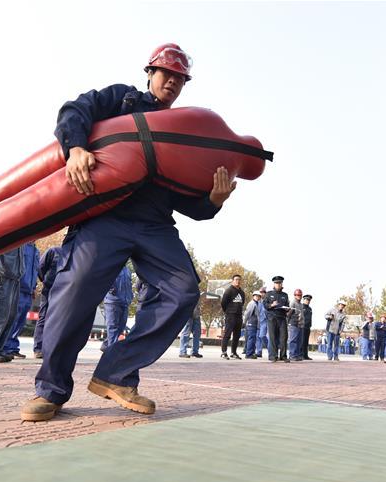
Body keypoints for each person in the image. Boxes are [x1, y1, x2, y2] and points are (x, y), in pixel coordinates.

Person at [22, 43, 238, 421]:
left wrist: (214, 200)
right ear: (150, 73)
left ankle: (116, 373)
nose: (171, 81)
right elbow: (74, 111)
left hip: (154, 223)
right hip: (105, 216)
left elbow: (189, 202)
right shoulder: (120, 100)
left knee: (183, 289)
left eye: (179, 78)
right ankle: (51, 390)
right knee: (73, 294)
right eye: (165, 73)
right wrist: (75, 149)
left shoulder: (182, 128)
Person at [4, 242, 40, 359]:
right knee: (13, 317)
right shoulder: (20, 247)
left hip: (28, 290)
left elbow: (36, 270)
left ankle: (13, 347)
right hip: (18, 287)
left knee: (21, 320)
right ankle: (5, 346)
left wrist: (34, 287)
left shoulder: (36, 250)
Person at [32, 246, 63, 359]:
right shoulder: (53, 251)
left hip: (64, 292)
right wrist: (46, 281)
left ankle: (51, 349)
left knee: (59, 321)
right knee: (44, 317)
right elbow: (40, 268)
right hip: (49, 290)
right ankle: (38, 348)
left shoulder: (74, 255)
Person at [101, 264, 133, 351]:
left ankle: (106, 346)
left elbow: (129, 284)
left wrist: (130, 296)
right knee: (113, 327)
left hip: (125, 302)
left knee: (121, 328)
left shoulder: (127, 270)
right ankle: (111, 352)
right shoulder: (112, 266)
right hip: (112, 301)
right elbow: (104, 279)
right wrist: (111, 289)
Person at [264, 275, 290, 362]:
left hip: (282, 318)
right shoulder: (269, 294)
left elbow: (287, 306)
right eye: (276, 283)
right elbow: (265, 305)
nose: (278, 285)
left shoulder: (285, 295)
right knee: (272, 337)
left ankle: (283, 356)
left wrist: (287, 309)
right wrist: (272, 305)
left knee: (284, 337)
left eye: (279, 283)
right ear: (274, 284)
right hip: (272, 318)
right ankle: (273, 356)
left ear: (282, 284)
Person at [220, 274, 246, 359]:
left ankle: (233, 352)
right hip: (230, 315)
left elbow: (242, 303)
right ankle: (224, 352)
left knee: (237, 335)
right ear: (232, 281)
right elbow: (223, 303)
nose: (237, 281)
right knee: (227, 334)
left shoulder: (242, 293)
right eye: (236, 279)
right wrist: (228, 311)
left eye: (239, 279)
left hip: (239, 316)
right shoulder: (228, 291)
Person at [178, 290, 203, 358]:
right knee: (186, 333)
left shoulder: (196, 290)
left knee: (197, 334)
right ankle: (183, 351)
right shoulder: (186, 290)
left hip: (196, 315)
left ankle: (195, 351)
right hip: (188, 315)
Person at [287, 289, 305, 361]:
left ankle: (297, 355)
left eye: (300, 295)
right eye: (297, 295)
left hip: (300, 324)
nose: (299, 296)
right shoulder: (292, 303)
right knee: (293, 340)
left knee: (299, 341)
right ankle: (292, 355)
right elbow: (288, 314)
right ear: (295, 295)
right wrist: (288, 323)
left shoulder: (301, 304)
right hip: (293, 324)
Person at [243, 292, 261, 359]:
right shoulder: (252, 304)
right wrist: (244, 322)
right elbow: (247, 314)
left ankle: (251, 353)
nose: (257, 297)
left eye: (258, 296)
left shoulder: (257, 304)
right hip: (251, 323)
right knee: (251, 338)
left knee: (253, 338)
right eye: (256, 296)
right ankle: (249, 354)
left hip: (254, 323)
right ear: (253, 296)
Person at [255, 287, 269, 358]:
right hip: (259, 321)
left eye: (263, 292)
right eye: (260, 292)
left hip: (266, 321)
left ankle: (270, 350)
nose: (261, 293)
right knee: (258, 337)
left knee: (262, 336)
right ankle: (259, 351)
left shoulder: (267, 300)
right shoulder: (258, 301)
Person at [300, 294, 313, 360]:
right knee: (302, 341)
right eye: (307, 299)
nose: (308, 301)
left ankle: (305, 355)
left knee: (306, 342)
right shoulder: (301, 307)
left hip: (308, 327)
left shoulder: (310, 308)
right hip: (302, 326)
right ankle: (301, 355)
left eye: (309, 300)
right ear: (304, 300)